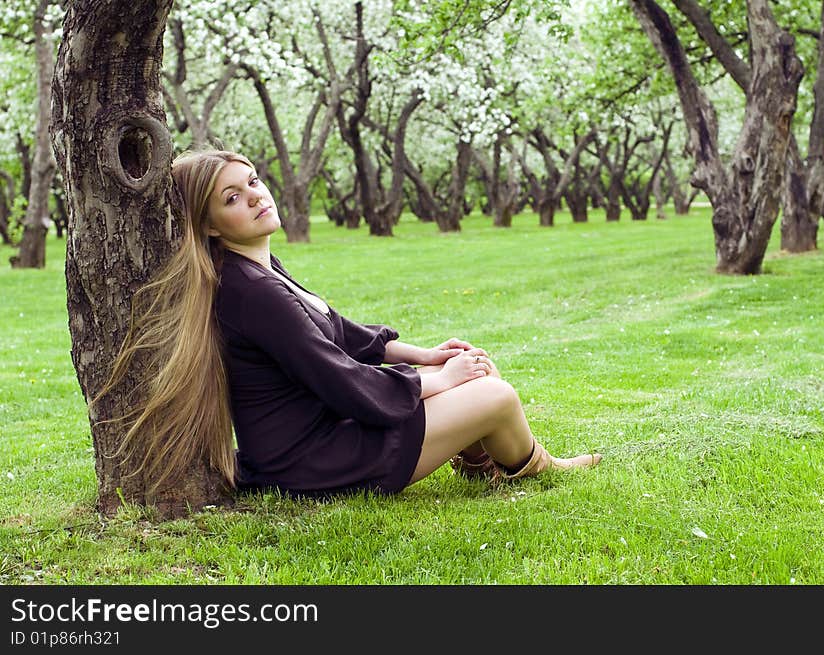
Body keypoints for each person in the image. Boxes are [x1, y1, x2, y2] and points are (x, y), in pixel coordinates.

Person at [102, 149, 601, 499]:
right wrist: (437, 381)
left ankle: (479, 461)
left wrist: (424, 356)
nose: (254, 197)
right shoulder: (249, 292)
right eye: (230, 198)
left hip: (325, 438)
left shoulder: (257, 270)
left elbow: (337, 330)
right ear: (208, 225)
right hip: (316, 460)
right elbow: (339, 379)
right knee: (495, 394)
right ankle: (535, 466)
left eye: (251, 181)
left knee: (475, 374)